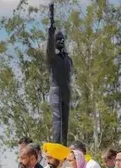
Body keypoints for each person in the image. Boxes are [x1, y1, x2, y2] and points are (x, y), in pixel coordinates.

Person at [47, 6, 73, 146]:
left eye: (62, 39)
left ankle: (64, 145)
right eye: (58, 39)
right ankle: (57, 145)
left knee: (65, 120)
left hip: (66, 90)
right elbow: (49, 48)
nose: (60, 42)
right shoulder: (53, 58)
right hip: (56, 90)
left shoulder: (68, 59)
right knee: (57, 120)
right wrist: (51, 31)